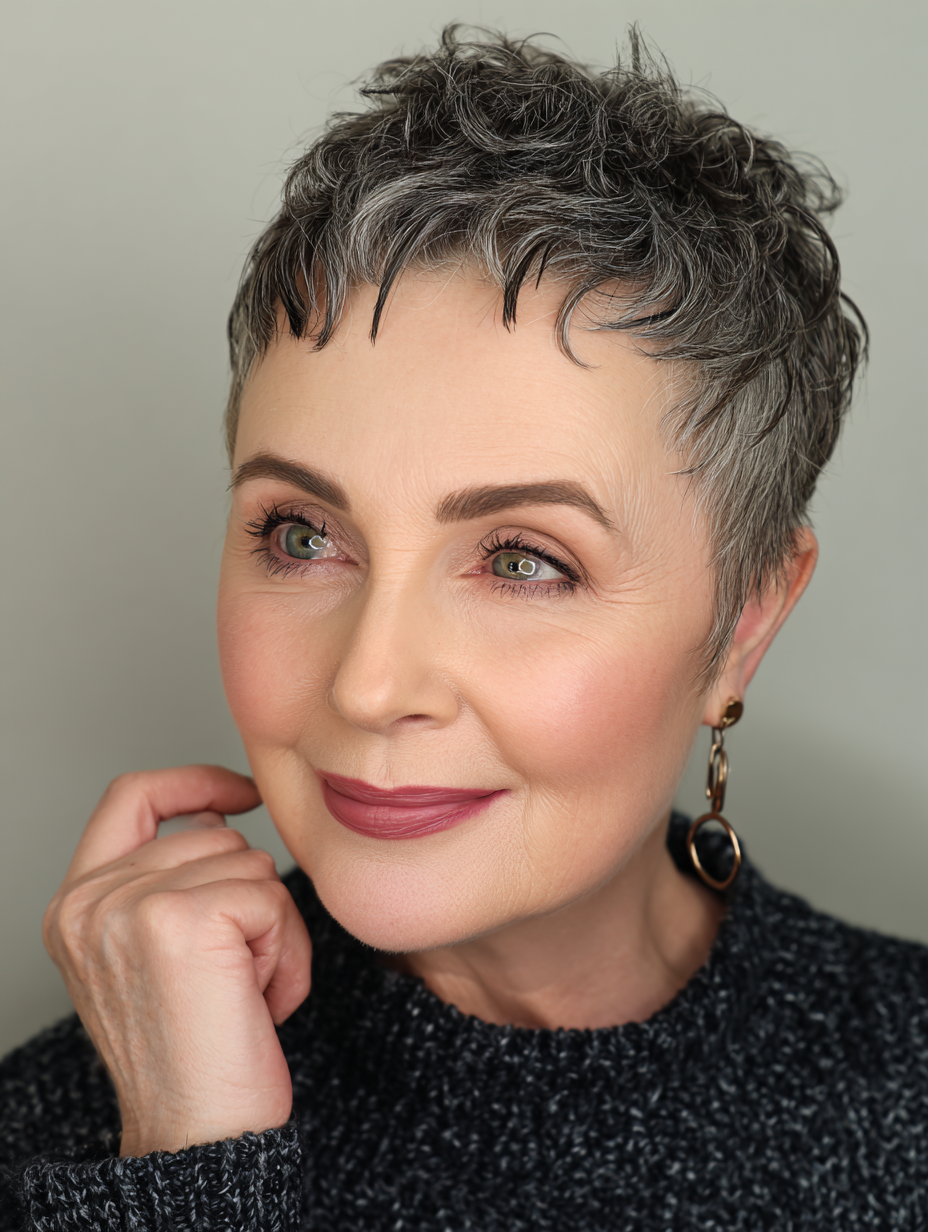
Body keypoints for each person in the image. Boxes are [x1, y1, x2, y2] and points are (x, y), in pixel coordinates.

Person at [1, 26, 925, 1231]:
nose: (369, 683)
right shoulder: (59, 1141)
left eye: (523, 560)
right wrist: (186, 1162)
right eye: (301, 534)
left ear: (744, 620)